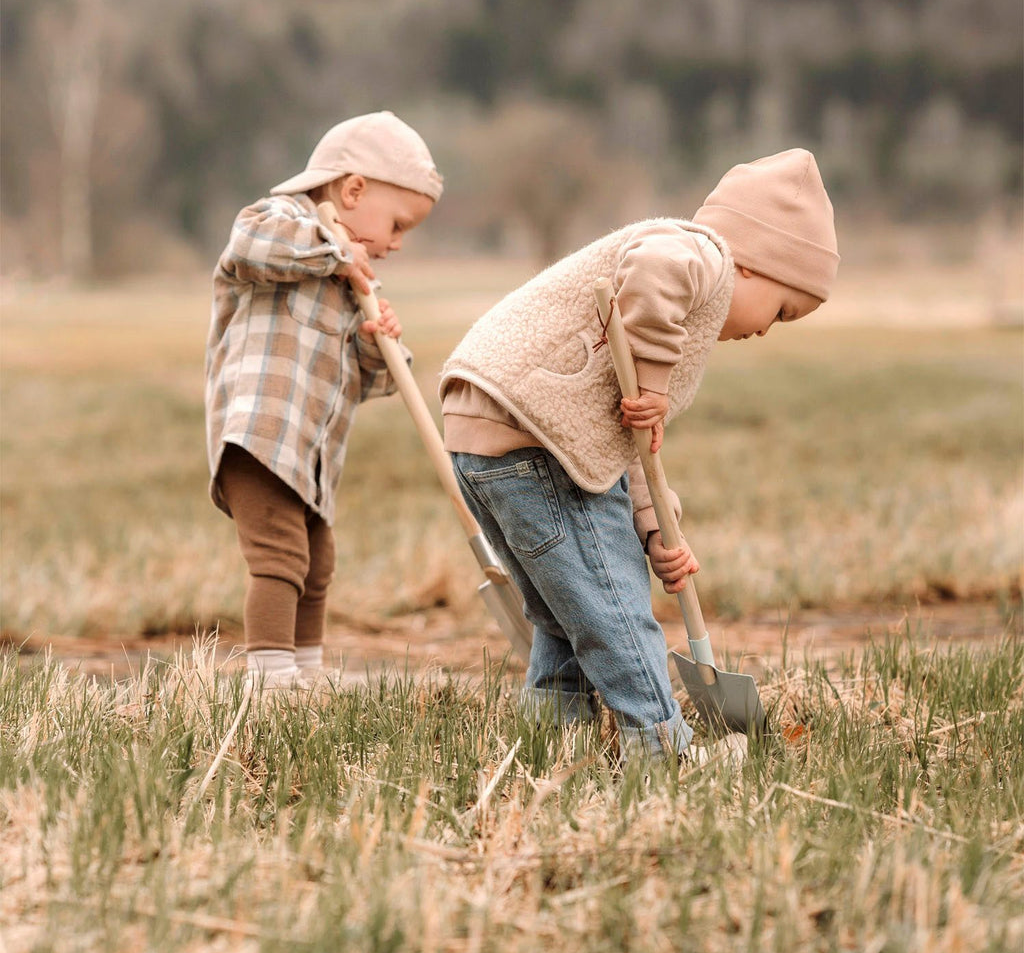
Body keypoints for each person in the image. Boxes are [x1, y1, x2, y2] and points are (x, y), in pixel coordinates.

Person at [440, 148, 838, 761]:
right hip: (533, 439)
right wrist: (653, 379)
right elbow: (657, 267)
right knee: (617, 610)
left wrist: (655, 530)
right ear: (753, 265)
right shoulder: (702, 254)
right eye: (782, 311)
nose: (765, 330)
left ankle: (553, 737)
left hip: (487, 437)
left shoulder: (677, 313)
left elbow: (629, 444)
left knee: (566, 614)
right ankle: (662, 749)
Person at [206, 111, 442, 690]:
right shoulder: (281, 222)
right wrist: (335, 253)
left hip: (310, 455)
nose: (396, 243)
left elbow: (373, 385)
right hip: (260, 436)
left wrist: (377, 344)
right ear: (353, 190)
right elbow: (248, 246)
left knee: (317, 562)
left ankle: (305, 672)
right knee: (280, 557)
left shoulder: (349, 281)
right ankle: (269, 678)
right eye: (397, 223)